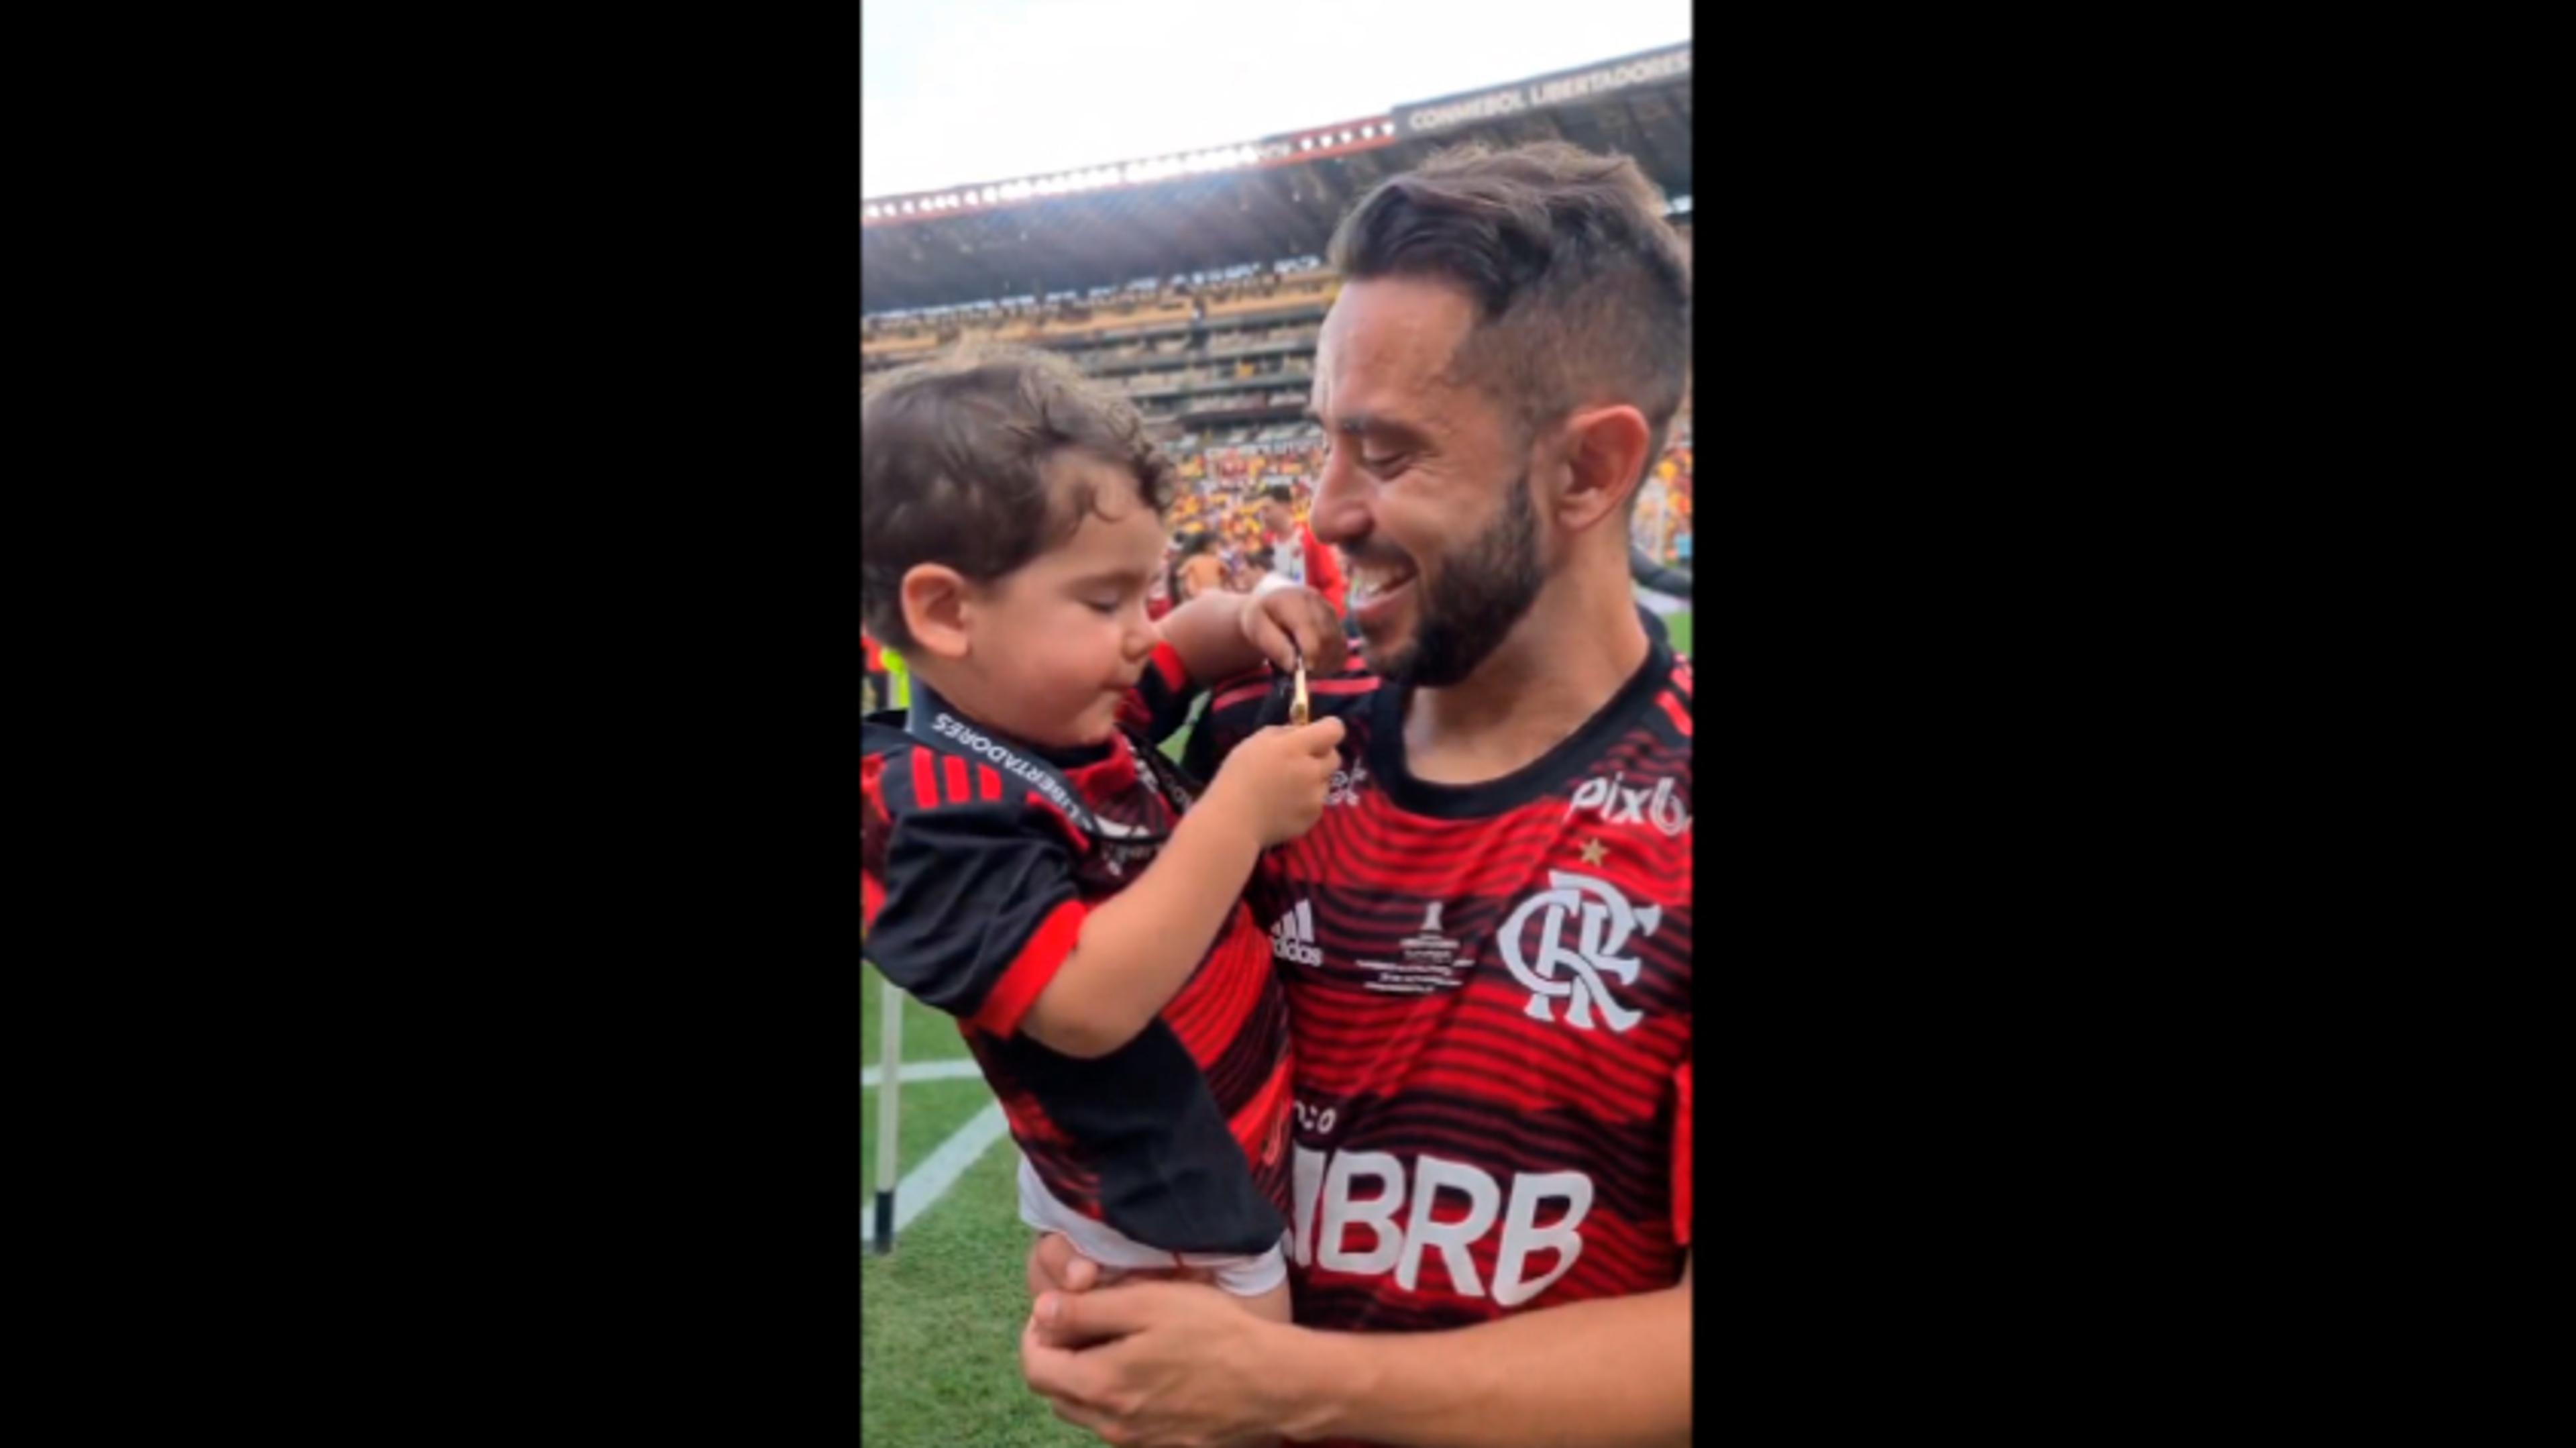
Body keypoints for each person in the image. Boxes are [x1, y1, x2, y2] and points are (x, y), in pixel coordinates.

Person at [1018, 140, 1694, 1448]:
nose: (1323, 511)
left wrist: (1281, 1382)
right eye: (1327, 439)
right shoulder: (1251, 744)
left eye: (1383, 451)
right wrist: (1120, 1279)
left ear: (1589, 473)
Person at [861, 345, 1349, 1321]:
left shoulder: (1068, 713)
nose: (1140, 632)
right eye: (1102, 600)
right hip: (1168, 1204)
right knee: (1251, 1395)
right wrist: (1236, 814)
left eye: (1146, 590)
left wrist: (1252, 613)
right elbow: (1084, 1000)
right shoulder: (931, 801)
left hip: (1230, 1136)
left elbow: (1187, 638)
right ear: (947, 611)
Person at [1257, 482, 1348, 619]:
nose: (1264, 516)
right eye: (1261, 511)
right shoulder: (1265, 543)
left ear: (1285, 507)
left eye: (1267, 510)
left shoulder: (1309, 539)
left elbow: (1331, 582)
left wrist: (1326, 617)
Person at [1169, 528, 1227, 607]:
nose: (1218, 547)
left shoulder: (1214, 561)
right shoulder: (1190, 562)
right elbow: (1183, 587)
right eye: (1216, 544)